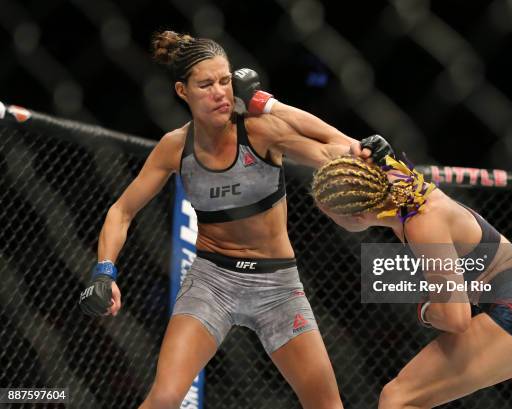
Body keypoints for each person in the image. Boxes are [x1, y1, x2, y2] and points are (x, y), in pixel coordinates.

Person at [77, 31, 392, 409]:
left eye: (226, 81)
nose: (220, 93)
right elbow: (121, 211)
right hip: (213, 281)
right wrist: (104, 271)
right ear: (182, 91)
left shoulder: (259, 130)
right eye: (206, 84)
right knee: (163, 397)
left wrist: (355, 147)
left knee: (326, 404)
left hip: (277, 285)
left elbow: (330, 151)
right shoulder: (175, 148)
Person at [311, 154, 512, 409]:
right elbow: (345, 162)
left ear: (356, 217)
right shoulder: (407, 186)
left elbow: (456, 317)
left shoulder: (420, 223)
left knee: (399, 398)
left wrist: (426, 310)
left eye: (330, 215)